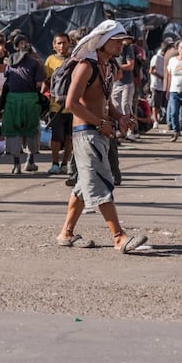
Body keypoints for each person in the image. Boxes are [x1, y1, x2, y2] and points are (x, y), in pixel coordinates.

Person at [56, 21, 148, 253]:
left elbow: (103, 102)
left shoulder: (107, 66)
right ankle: (118, 236)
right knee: (100, 183)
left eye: (122, 41)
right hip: (86, 134)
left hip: (99, 132)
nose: (121, 45)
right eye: (117, 41)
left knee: (83, 185)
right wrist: (101, 123)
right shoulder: (86, 67)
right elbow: (72, 103)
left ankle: (66, 233)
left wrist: (119, 117)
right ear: (103, 42)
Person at [0, 34, 45, 174]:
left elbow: (7, 77)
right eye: (22, 43)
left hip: (12, 100)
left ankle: (16, 164)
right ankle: (30, 161)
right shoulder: (35, 62)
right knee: (31, 130)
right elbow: (38, 83)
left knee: (13, 131)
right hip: (30, 100)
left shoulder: (10, 61)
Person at [43, 33, 74, 177]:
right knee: (56, 137)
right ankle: (54, 163)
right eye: (59, 43)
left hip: (73, 106)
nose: (62, 46)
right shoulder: (50, 61)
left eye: (64, 43)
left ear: (69, 43)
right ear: (54, 45)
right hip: (55, 106)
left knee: (70, 137)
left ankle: (64, 164)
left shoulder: (75, 60)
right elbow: (46, 81)